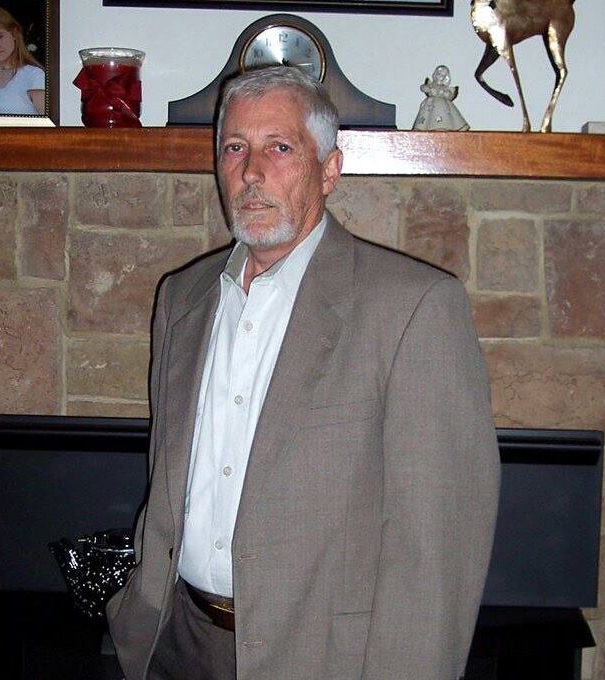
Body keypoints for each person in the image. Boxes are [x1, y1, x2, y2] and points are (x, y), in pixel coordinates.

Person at [107, 65, 500, 680]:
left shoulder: (412, 308)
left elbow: (436, 552)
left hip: (321, 658)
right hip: (174, 641)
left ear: (330, 169)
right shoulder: (182, 299)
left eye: (280, 148)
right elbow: (167, 480)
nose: (251, 172)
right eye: (235, 148)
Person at [413, 65, 470, 131]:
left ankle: (444, 125)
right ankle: (423, 126)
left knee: (445, 111)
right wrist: (429, 89)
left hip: (443, 105)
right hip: (431, 104)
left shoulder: (445, 87)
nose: (440, 76)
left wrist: (445, 93)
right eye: (439, 74)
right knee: (427, 112)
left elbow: (450, 95)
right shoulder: (431, 85)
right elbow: (423, 87)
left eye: (443, 75)